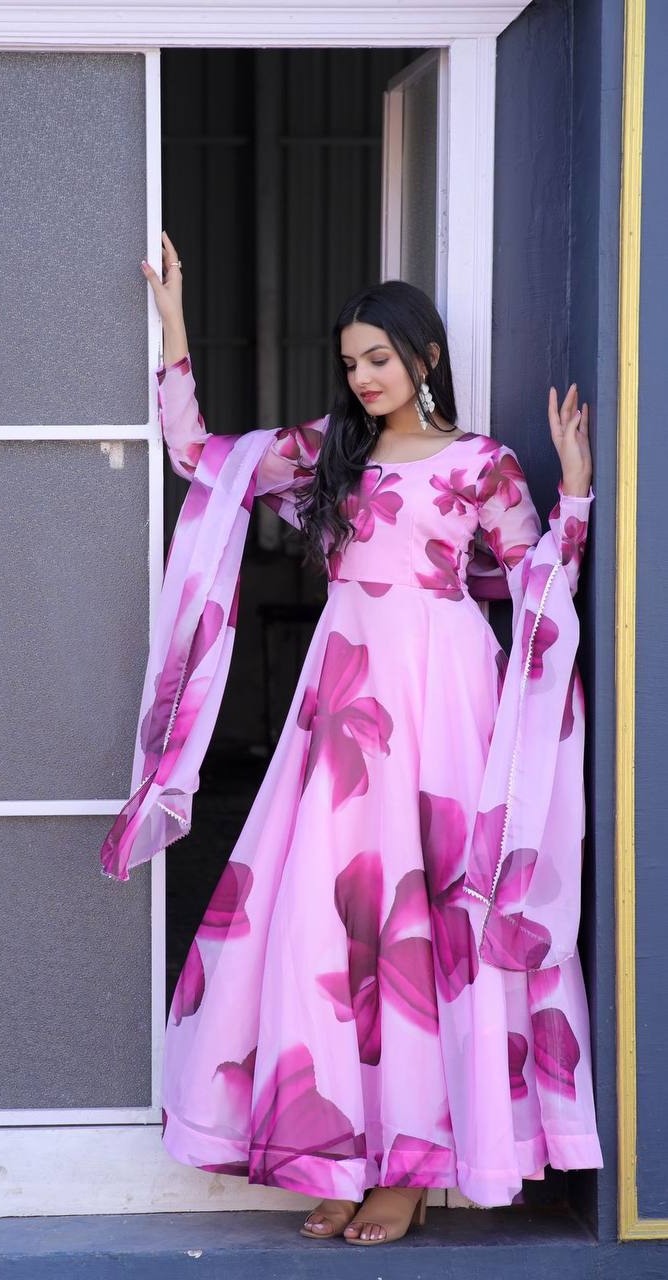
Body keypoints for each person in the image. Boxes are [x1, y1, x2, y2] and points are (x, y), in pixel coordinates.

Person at [106, 230, 603, 1246]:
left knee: (429, 918)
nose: (364, 377)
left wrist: (577, 491)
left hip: (446, 701)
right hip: (343, 703)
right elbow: (202, 460)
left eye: (379, 358)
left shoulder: (482, 463)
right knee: (324, 921)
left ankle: (410, 1174)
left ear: (426, 357)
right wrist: (172, 322)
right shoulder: (332, 451)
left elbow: (538, 581)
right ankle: (338, 1153)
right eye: (351, 363)